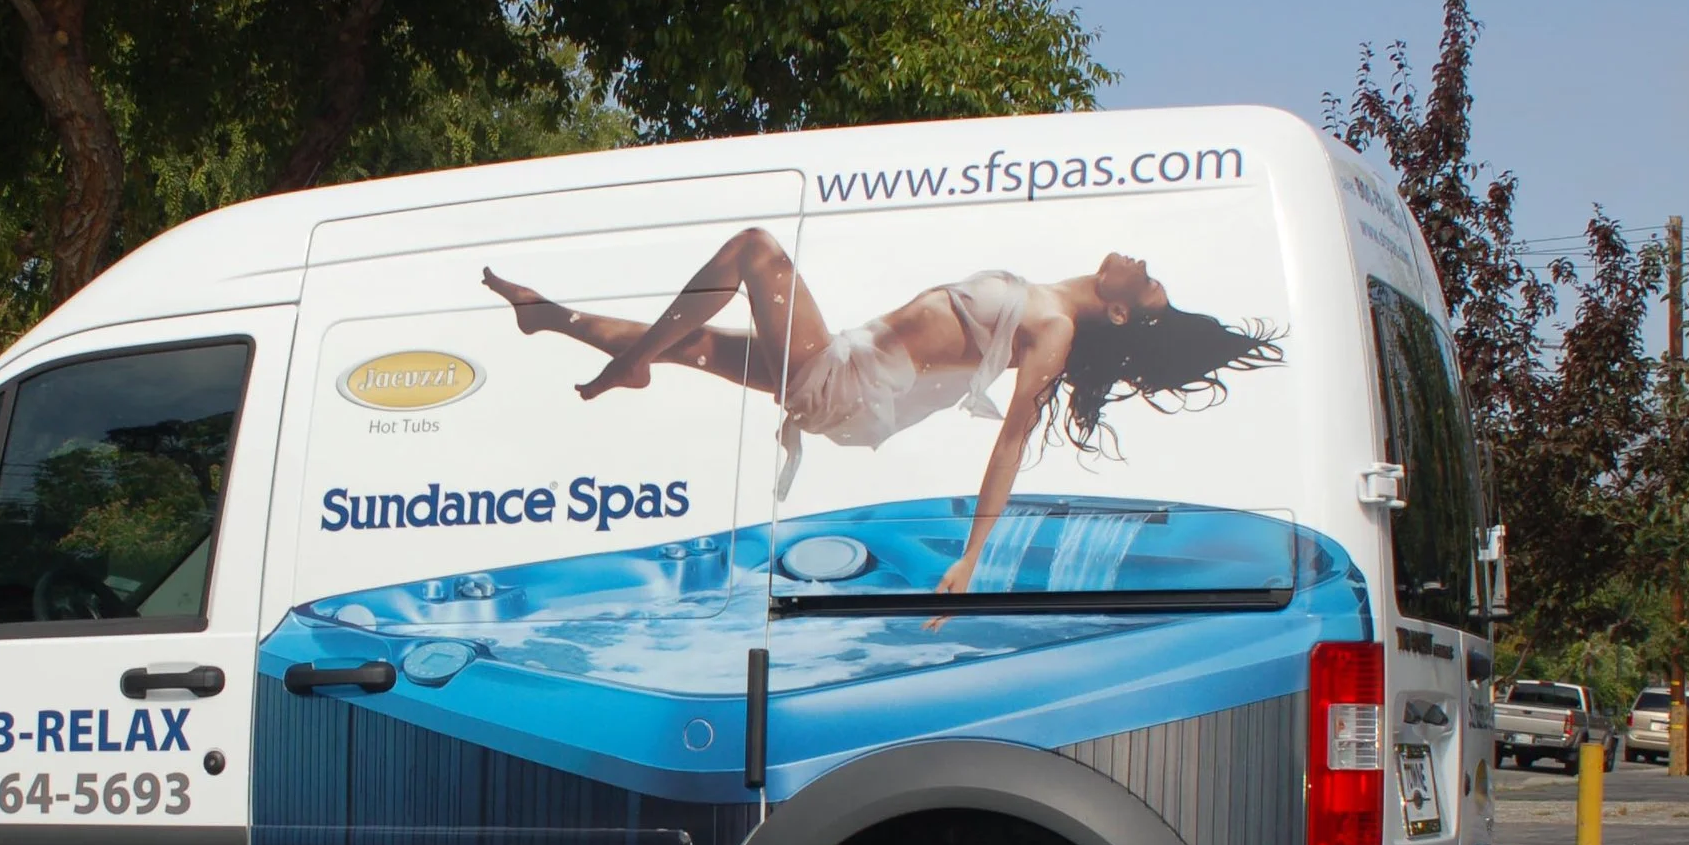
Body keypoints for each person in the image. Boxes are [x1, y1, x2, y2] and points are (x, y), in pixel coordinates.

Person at [484, 228, 1280, 595]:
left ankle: (626, 366)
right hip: (845, 361)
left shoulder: (1056, 329)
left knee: (755, 250)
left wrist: (970, 561)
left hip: (848, 381)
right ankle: (548, 315)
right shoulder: (1049, 299)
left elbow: (1009, 441)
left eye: (1146, 284)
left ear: (1118, 314)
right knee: (697, 346)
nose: (1139, 262)